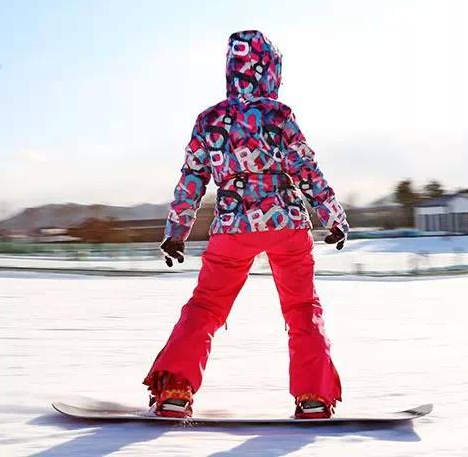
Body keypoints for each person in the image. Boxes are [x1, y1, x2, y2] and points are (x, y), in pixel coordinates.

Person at [143, 30, 349, 419]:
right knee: (302, 308)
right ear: (269, 71)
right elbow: (306, 169)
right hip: (286, 222)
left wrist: (176, 232)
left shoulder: (210, 120)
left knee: (205, 307)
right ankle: (313, 397)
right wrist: (331, 215)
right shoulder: (279, 115)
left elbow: (192, 179)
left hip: (233, 228)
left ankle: (175, 390)